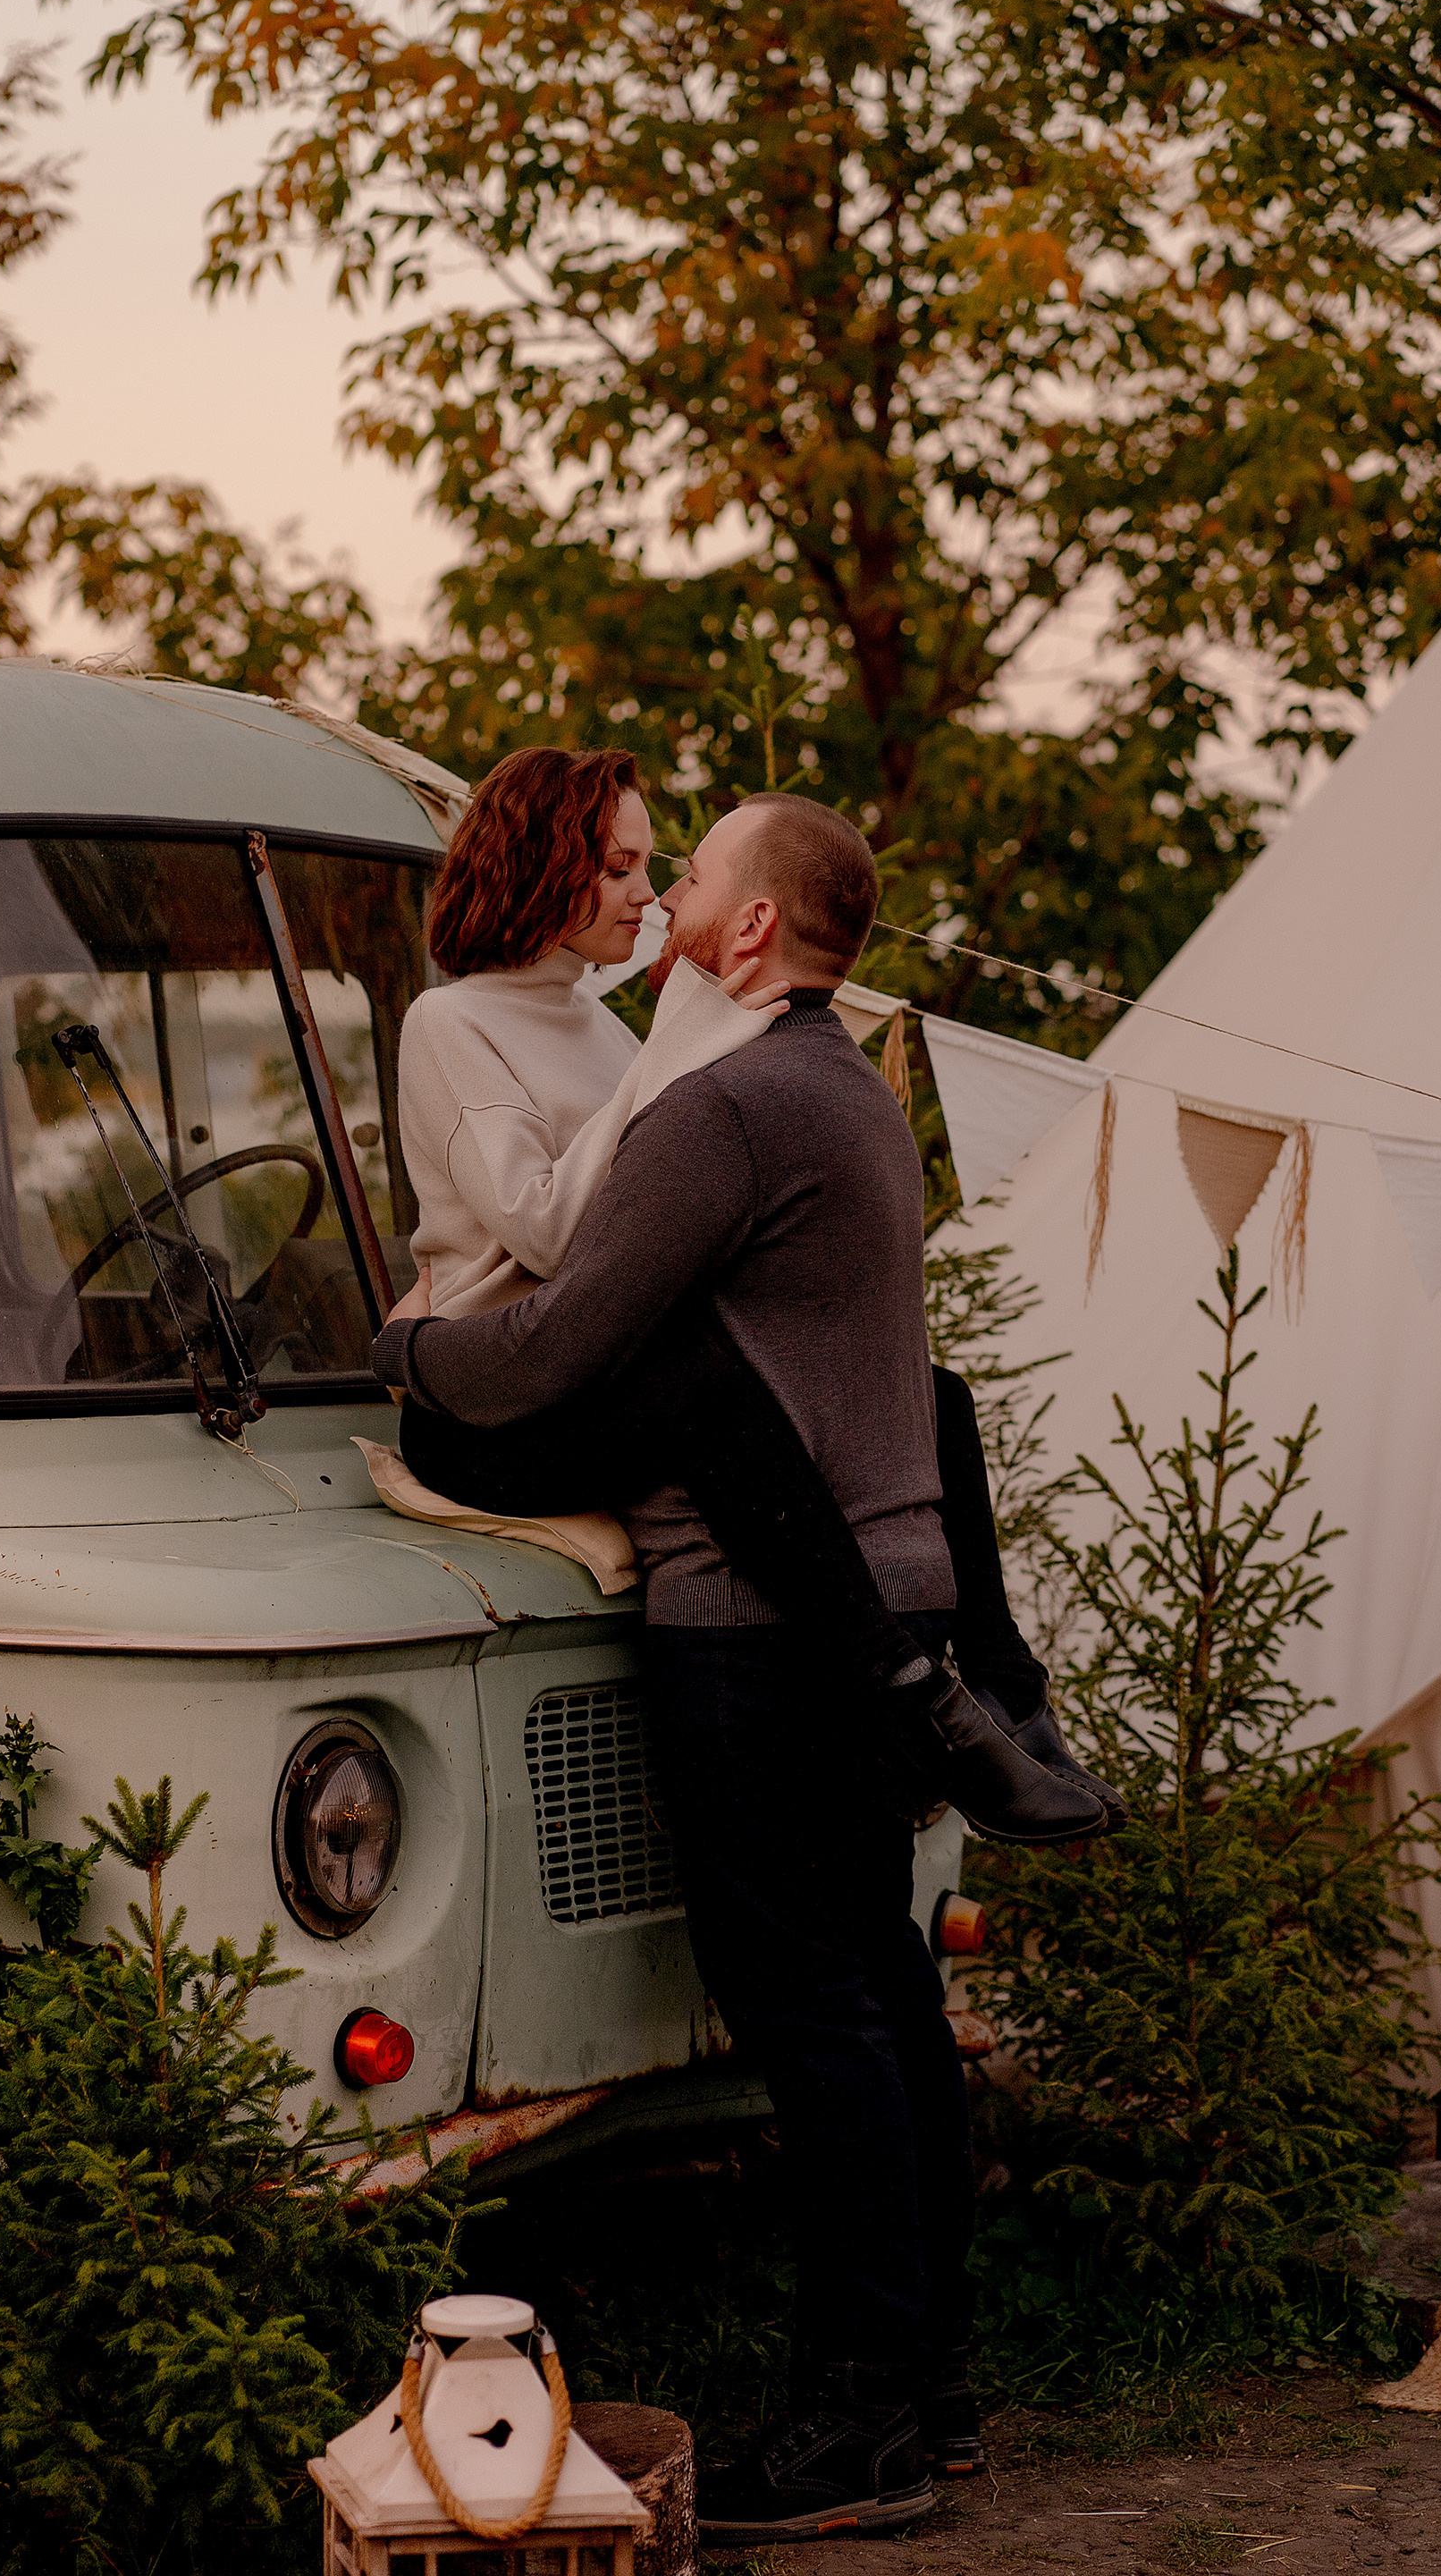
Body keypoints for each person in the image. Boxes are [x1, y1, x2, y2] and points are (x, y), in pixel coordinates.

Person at [373, 789, 1113, 2536]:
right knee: (886, 1997)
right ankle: (924, 2391)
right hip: (890, 1608)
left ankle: (852, 2425)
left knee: (815, 2021)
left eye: (692, 870)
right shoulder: (850, 1095)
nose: (672, 891)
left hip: (755, 1631)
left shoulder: (724, 1107)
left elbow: (563, 1342)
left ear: (753, 930)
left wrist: (413, 1356)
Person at [390, 744, 1103, 1844]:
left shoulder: (600, 1021)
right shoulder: (454, 1023)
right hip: (493, 1392)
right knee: (704, 1385)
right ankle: (915, 1695)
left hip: (602, 1378)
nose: (648, 895)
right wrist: (671, 1055)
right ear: (544, 868)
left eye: (652, 869)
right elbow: (539, 1222)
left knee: (930, 1394)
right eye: (621, 868)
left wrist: (672, 1054)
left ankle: (1009, 1693)